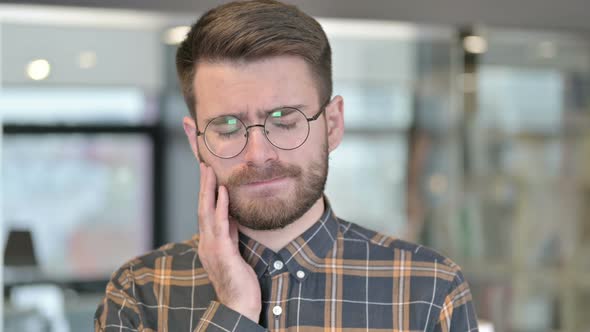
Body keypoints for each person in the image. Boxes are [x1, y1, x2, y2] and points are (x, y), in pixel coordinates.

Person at [94, 1, 479, 331]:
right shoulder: (139, 292)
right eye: (228, 127)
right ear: (196, 141)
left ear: (332, 124)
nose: (259, 154)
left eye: (284, 120)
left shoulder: (429, 290)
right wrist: (233, 312)